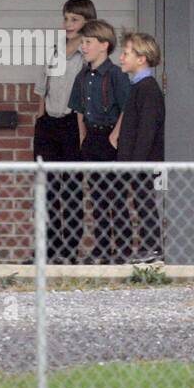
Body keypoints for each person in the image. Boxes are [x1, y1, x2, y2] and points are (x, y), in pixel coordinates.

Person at [32, 0, 93, 264]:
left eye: (75, 19)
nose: (68, 24)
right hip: (49, 123)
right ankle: (47, 249)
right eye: (66, 18)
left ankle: (69, 251)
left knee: (70, 190)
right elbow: (41, 87)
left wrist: (82, 130)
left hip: (72, 124)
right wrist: (40, 117)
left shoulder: (88, 54)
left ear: (87, 22)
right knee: (47, 189)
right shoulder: (53, 50)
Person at [68, 19, 130, 264]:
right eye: (82, 42)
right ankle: (102, 249)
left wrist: (115, 134)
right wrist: (83, 134)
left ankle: (123, 250)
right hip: (92, 138)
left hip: (110, 139)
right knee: (97, 199)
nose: (84, 47)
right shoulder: (83, 76)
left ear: (104, 46)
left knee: (115, 196)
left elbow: (126, 107)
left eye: (88, 42)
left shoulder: (115, 74)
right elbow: (79, 108)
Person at [116, 31, 165, 264]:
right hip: (135, 160)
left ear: (141, 58)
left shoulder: (148, 89)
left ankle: (153, 249)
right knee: (139, 202)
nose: (121, 58)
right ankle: (146, 248)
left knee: (145, 203)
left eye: (126, 53)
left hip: (144, 161)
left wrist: (137, 161)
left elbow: (146, 131)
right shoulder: (137, 87)